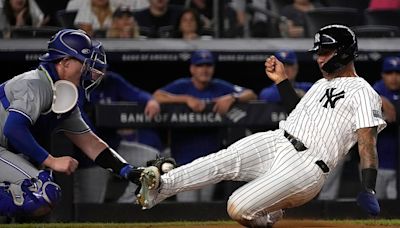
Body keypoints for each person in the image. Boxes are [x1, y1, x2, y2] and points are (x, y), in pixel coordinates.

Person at [137, 25, 386, 227]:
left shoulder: (364, 92)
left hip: (308, 165)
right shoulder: (321, 85)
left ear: (343, 52)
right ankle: (160, 187)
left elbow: (367, 142)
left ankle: (268, 218)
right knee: (222, 160)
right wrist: (281, 81)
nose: (319, 58)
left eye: (325, 52)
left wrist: (368, 187)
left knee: (237, 206)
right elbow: (297, 112)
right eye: (318, 52)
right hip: (278, 139)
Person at [0, 29, 144, 217]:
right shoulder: (35, 82)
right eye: (85, 63)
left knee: (42, 196)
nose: (89, 70)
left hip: (5, 151)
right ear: (65, 63)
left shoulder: (62, 95)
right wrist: (52, 161)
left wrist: (128, 171)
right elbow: (13, 129)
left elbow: (91, 143)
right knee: (41, 192)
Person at [152, 49, 257, 202]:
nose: (205, 69)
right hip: (184, 160)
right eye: (200, 65)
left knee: (204, 206)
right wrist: (186, 99)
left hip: (210, 161)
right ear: (192, 69)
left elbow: (251, 94)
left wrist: (232, 97)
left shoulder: (219, 86)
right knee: (187, 206)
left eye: (208, 65)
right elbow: (157, 95)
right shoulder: (182, 85)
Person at [74, 41, 163, 204]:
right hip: (90, 156)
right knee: (90, 205)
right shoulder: (77, 87)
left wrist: (150, 100)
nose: (100, 72)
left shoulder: (112, 81)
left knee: (151, 158)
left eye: (102, 68)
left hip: (115, 146)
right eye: (95, 68)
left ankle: (125, 205)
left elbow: (137, 94)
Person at [372, 56, 400, 199]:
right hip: (379, 164)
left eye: (397, 73)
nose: (394, 77)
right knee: (377, 207)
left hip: (396, 166)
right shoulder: (376, 90)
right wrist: (380, 98)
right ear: (383, 75)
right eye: (389, 73)